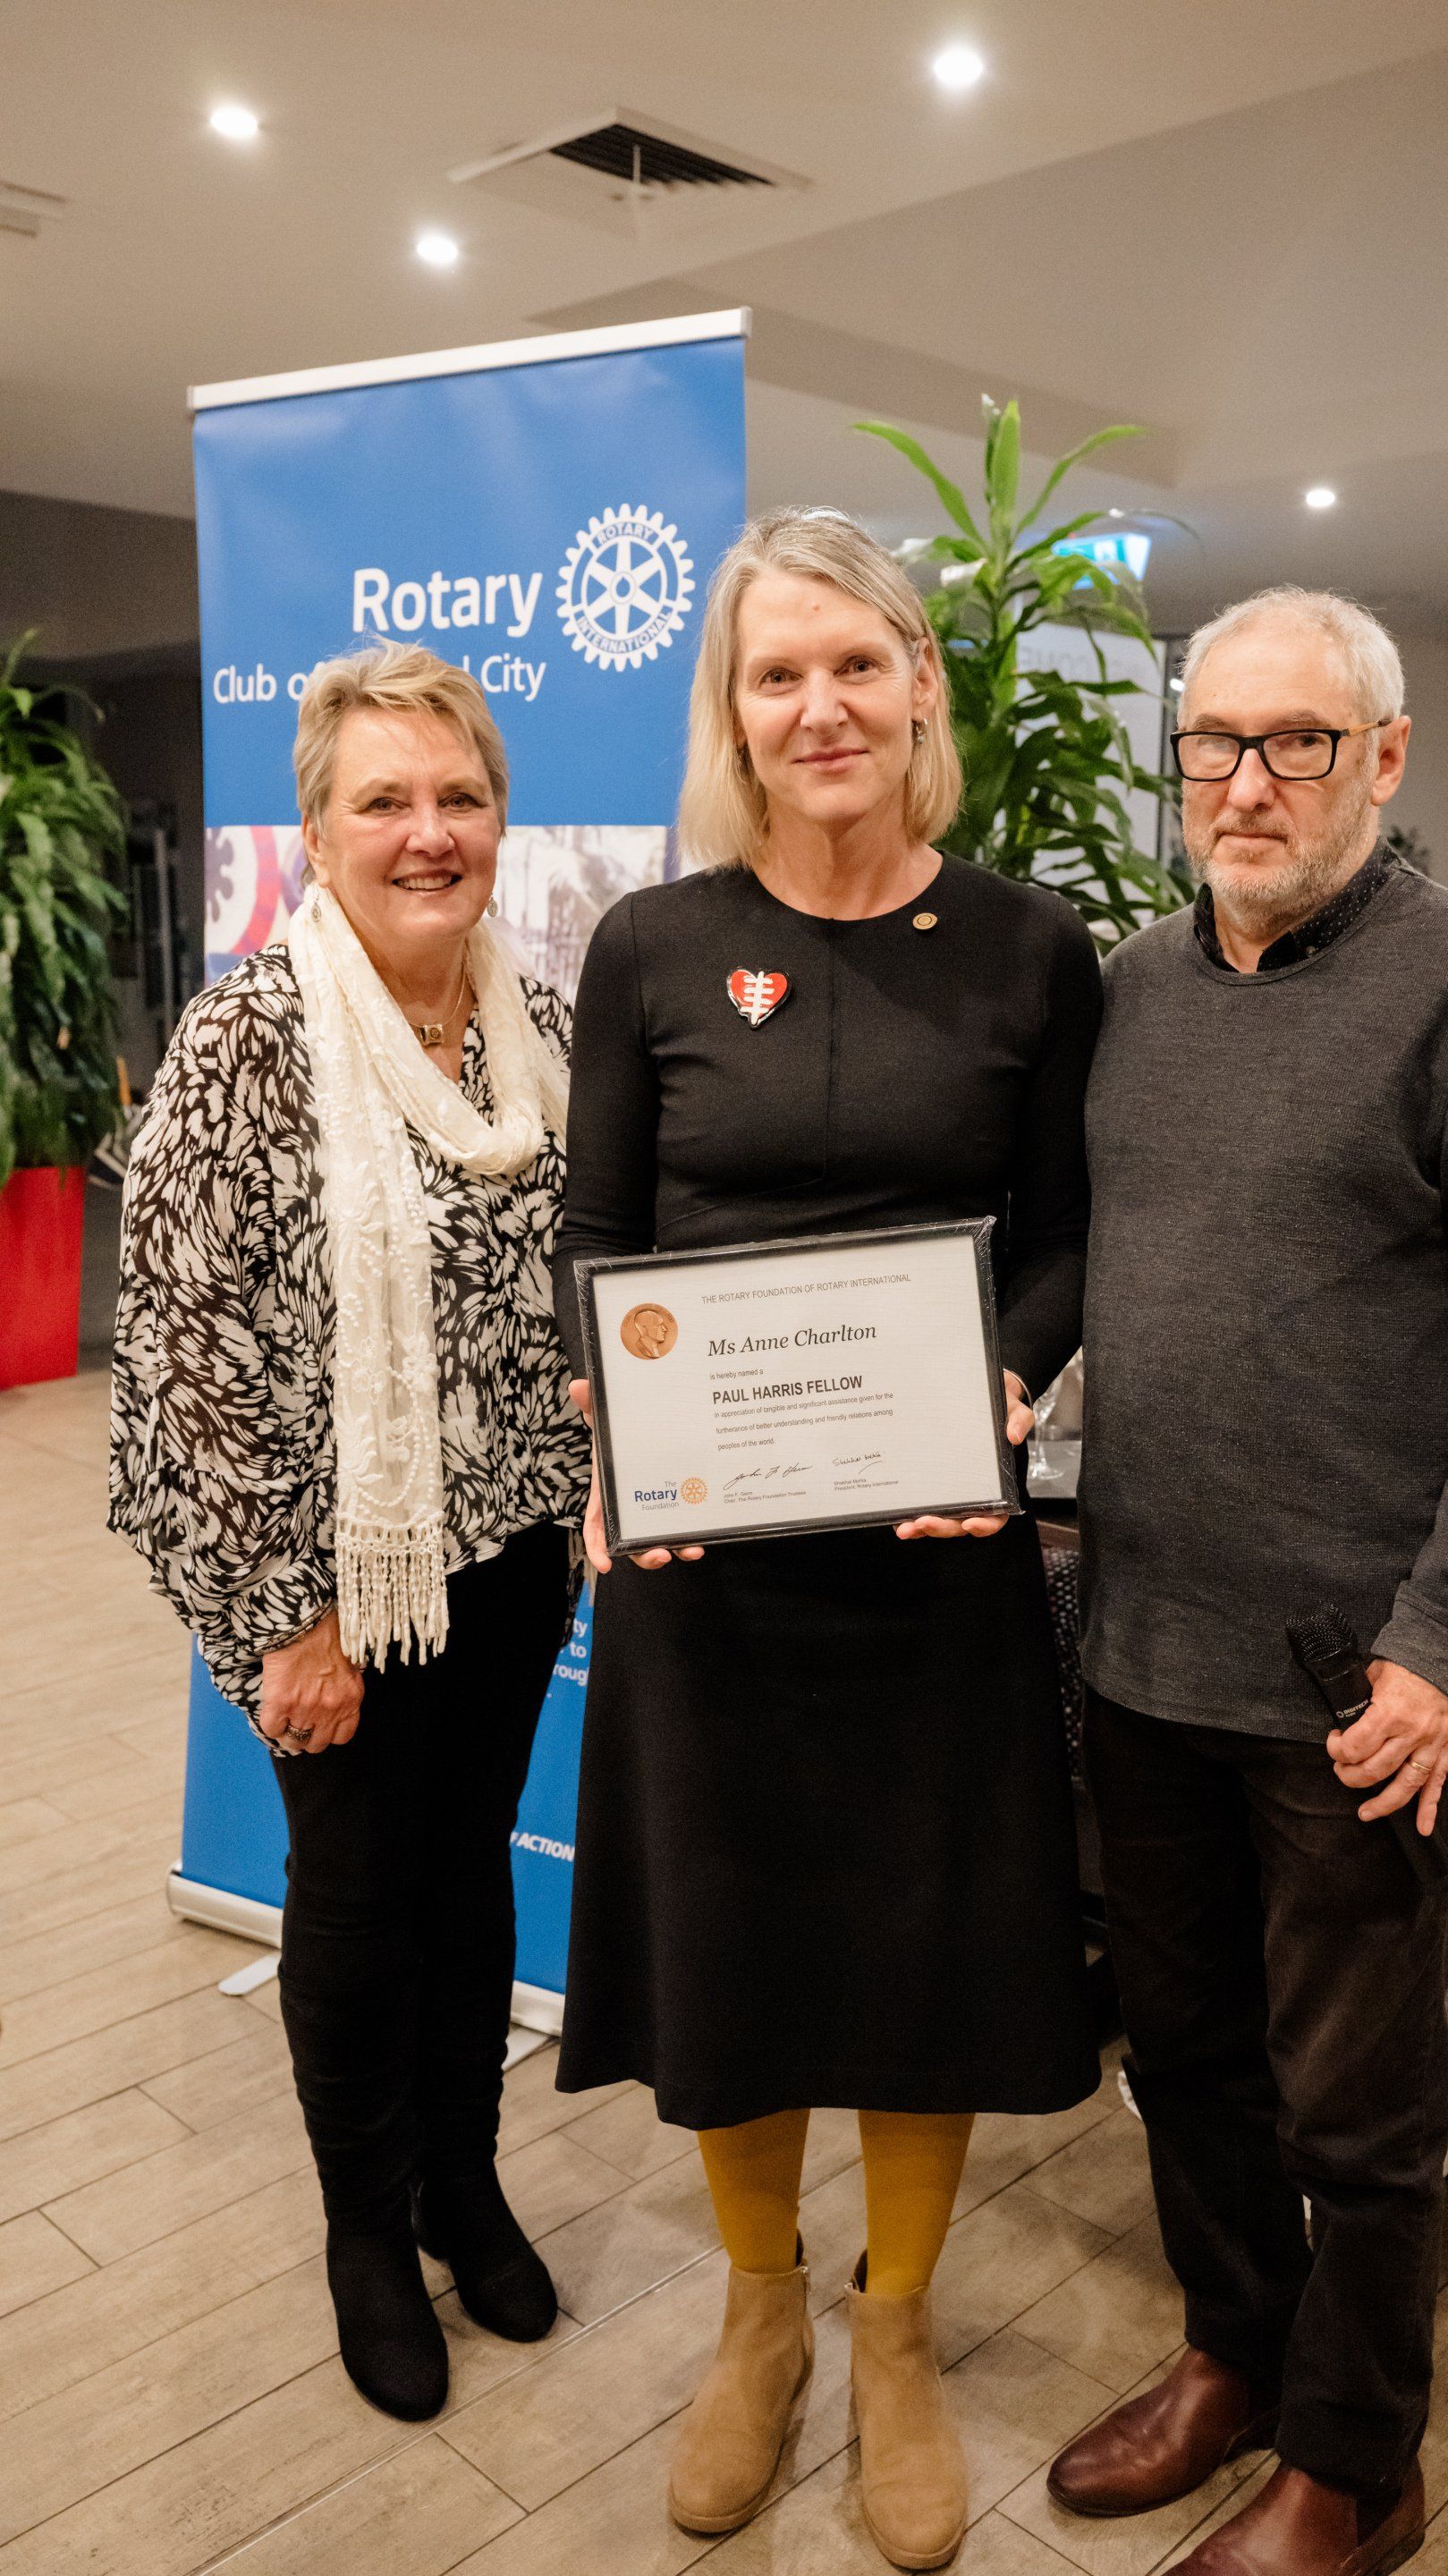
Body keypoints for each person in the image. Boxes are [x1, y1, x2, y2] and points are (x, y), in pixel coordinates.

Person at [553, 507, 1100, 2572]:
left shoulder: (1032, 951)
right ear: (737, 710)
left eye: (856, 664)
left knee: (923, 1946)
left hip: (936, 1549)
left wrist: (1016, 1384)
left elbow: (1058, 1241)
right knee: (744, 1942)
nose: (820, 706)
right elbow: (602, 1238)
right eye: (779, 674)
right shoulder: (652, 945)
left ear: (919, 688)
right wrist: (618, 1432)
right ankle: (761, 2309)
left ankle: (895, 2333)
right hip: (716, 1566)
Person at [1048, 589, 1448, 2574]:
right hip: (1142, 1652)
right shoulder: (1132, 987)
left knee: (1357, 2114)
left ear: (1387, 755)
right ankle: (1238, 2353)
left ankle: (1357, 2467)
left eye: (1298, 741)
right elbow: (1087, 1267)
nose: (1247, 780)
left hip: (1362, 1692)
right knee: (1183, 2056)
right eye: (1214, 740)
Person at [110, 645, 588, 2423]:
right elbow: (184, 1353)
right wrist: (280, 1621)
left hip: (517, 1549)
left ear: (497, 815)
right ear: (317, 825)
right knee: (362, 1898)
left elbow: (575, 1289)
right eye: (383, 798)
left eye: (457, 794)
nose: (427, 831)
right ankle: (367, 2228)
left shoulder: (535, 1016)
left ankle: (464, 2181)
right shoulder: (246, 1034)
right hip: (338, 1586)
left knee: (469, 1882)